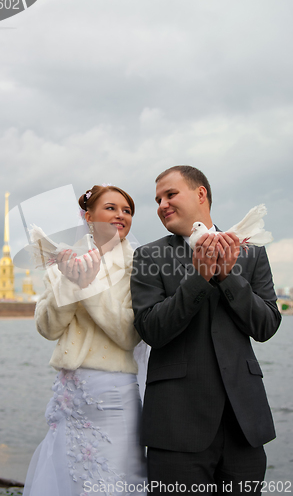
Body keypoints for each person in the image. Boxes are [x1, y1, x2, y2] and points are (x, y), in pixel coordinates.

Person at [130, 166, 281, 495]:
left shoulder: (250, 251)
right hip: (176, 426)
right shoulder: (148, 255)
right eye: (157, 199)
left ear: (201, 194)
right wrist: (198, 278)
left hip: (244, 425)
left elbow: (267, 325)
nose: (162, 205)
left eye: (170, 194)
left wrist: (230, 277)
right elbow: (151, 329)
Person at [23, 185, 147, 496]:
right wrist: (70, 283)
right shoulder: (64, 259)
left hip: (115, 394)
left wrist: (88, 288)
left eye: (127, 210)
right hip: (69, 394)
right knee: (64, 477)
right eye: (111, 207)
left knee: (114, 479)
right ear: (88, 216)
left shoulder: (139, 264)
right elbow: (48, 328)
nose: (120, 214)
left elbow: (129, 334)